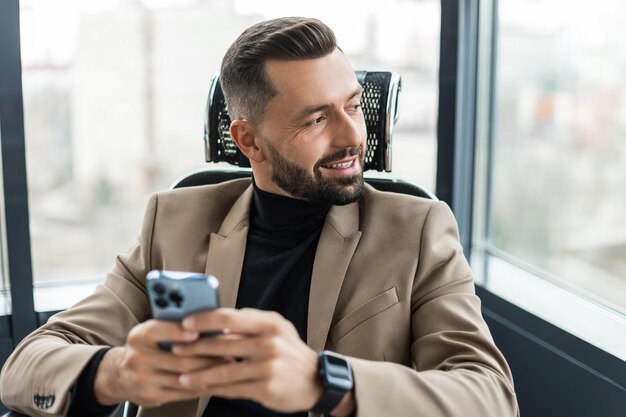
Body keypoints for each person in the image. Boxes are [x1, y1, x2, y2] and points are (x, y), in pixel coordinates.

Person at [0, 17, 518, 417]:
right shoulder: (174, 221)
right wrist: (117, 373)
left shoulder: (418, 229)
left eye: (354, 106)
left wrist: (326, 382)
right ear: (248, 139)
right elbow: (26, 367)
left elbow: (490, 397)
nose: (353, 136)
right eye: (317, 118)